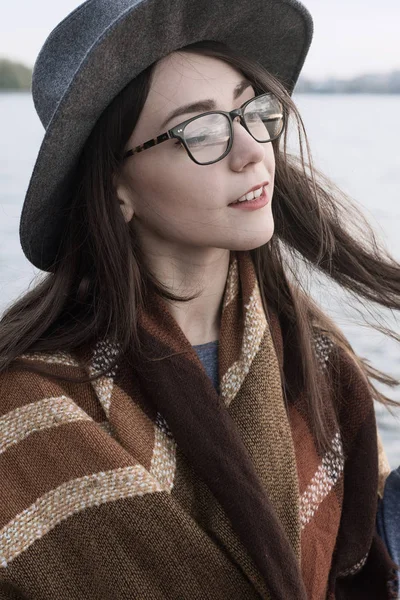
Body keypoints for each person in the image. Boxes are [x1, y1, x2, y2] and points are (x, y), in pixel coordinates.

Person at [0, 0, 399, 598]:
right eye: (202, 131)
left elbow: (359, 568)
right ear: (115, 186)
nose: (252, 151)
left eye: (252, 111)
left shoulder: (314, 358)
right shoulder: (26, 411)